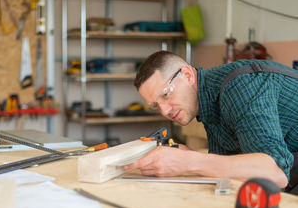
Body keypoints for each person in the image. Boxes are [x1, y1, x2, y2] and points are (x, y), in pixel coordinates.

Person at [125, 51, 298, 194]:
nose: (165, 111)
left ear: (187, 75)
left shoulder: (240, 88)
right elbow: (230, 166)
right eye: (156, 105)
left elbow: (276, 172)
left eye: (166, 94)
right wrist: (186, 158)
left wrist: (189, 161)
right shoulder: (207, 101)